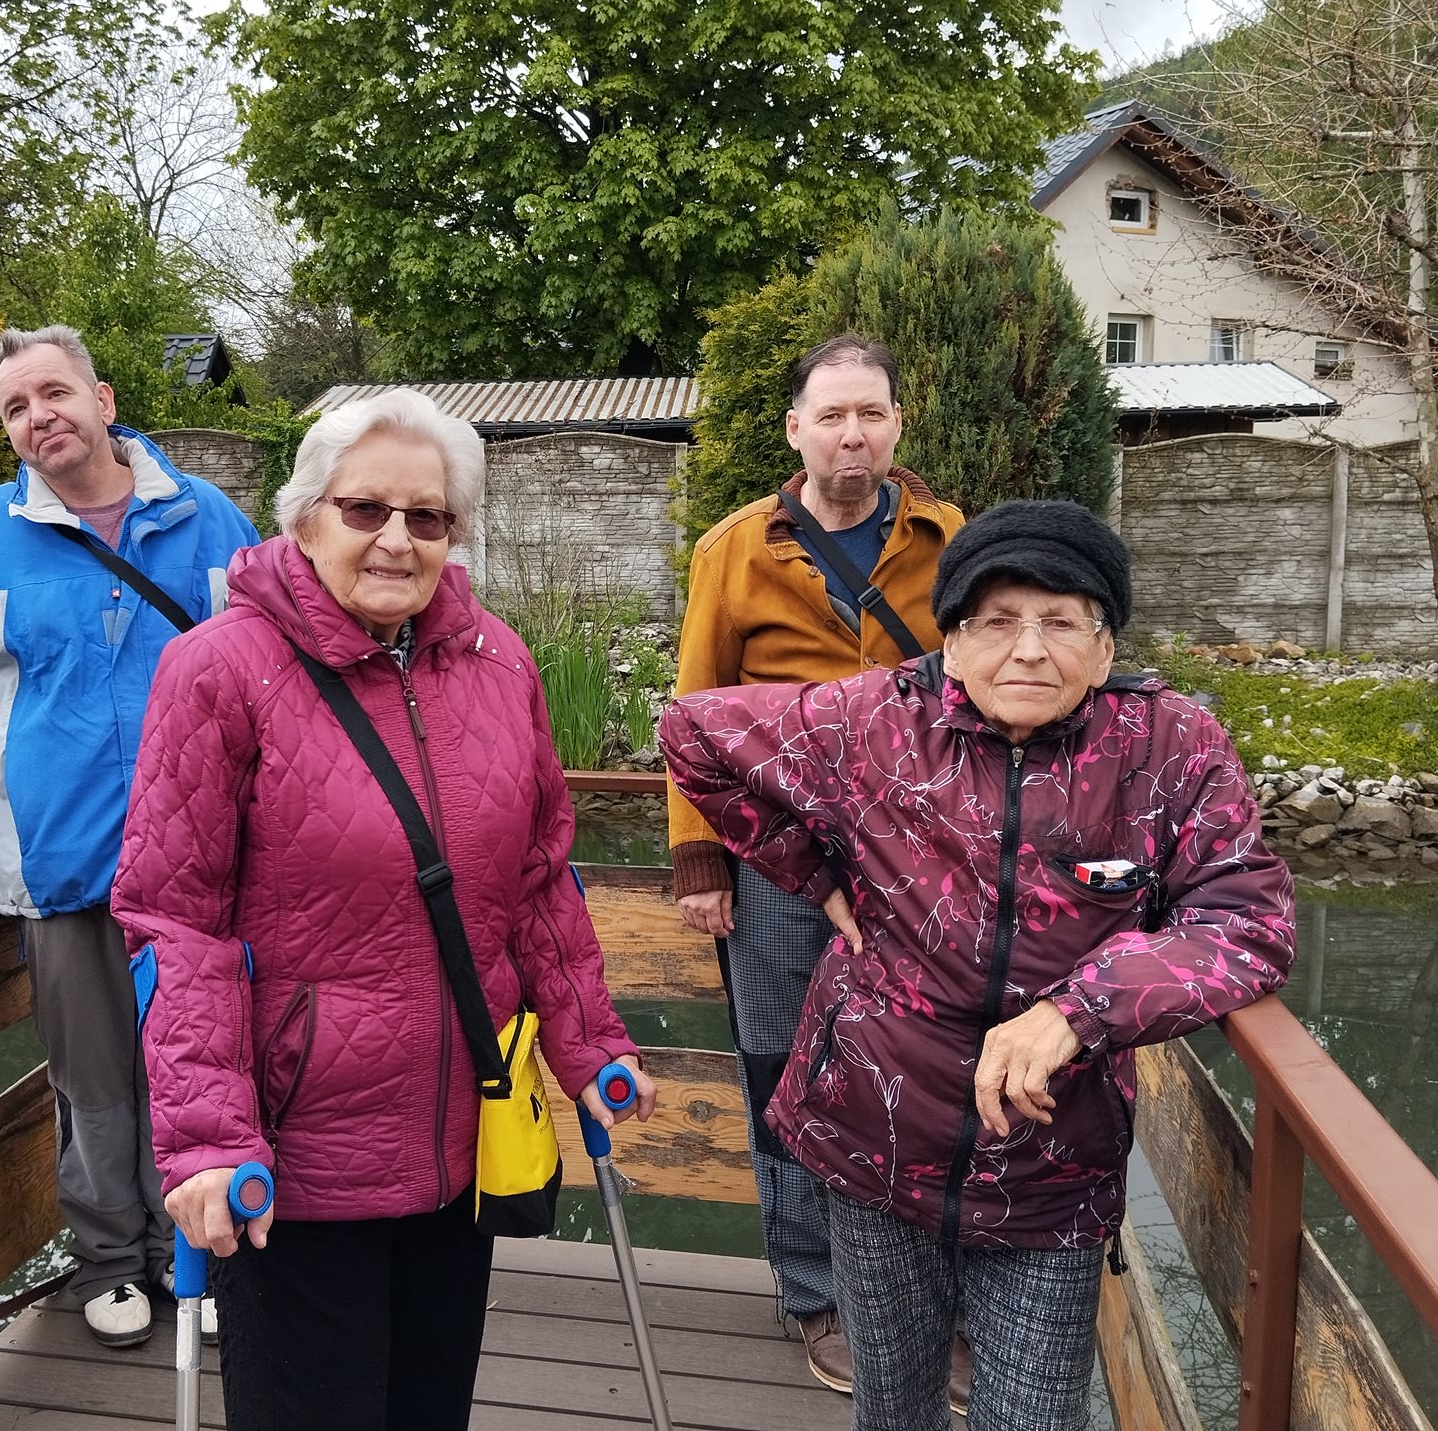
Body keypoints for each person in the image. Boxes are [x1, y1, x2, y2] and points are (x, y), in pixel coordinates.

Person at [662, 500, 1297, 1431]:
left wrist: (1080, 1011)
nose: (1029, 650)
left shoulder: (1171, 749)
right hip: (871, 1140)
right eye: (997, 621)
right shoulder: (873, 719)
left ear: (1105, 650)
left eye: (1061, 622)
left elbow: (1245, 921)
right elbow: (693, 731)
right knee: (894, 1410)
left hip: (1051, 1166)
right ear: (952, 643)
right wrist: (812, 871)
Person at [112, 387, 655, 1431]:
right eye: (367, 510)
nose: (398, 540)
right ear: (306, 516)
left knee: (431, 1411)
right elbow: (175, 923)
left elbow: (539, 879)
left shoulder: (501, 663)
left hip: (464, 1133)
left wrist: (588, 1047)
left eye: (429, 517)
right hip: (299, 1157)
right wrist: (210, 1137)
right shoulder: (219, 670)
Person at [0, 324, 260, 1349]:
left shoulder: (208, 521)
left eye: (55, 393)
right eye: (16, 407)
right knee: (96, 1086)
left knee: (206, 1067)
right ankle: (113, 1262)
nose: (39, 417)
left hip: (207, 868)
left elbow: (276, 659)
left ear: (103, 401)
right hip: (63, 869)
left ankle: (199, 1259)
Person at [669, 332, 964, 1393]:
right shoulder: (734, 550)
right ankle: (816, 1294)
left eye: (870, 414)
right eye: (831, 415)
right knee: (782, 1071)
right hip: (776, 857)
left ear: (896, 426)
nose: (852, 434)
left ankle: (924, 1299)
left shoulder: (950, 540)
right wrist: (699, 858)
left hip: (918, 859)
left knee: (926, 1074)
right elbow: (693, 709)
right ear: (795, 429)